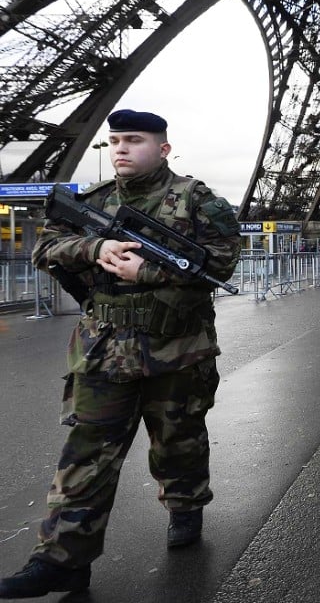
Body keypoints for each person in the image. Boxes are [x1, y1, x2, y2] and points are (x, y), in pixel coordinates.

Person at [0, 110, 241, 599]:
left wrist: (146, 272)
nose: (121, 149)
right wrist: (96, 248)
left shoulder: (200, 202)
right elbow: (46, 249)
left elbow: (220, 263)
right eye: (114, 141)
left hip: (178, 349)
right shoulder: (90, 202)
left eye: (134, 140)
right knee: (85, 453)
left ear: (164, 148)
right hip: (103, 349)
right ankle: (62, 559)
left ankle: (185, 505)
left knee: (180, 440)